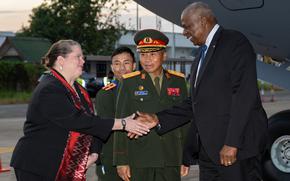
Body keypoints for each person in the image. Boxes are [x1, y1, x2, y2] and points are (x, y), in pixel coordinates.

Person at [136, 2, 268, 181]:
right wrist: (158, 118)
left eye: (187, 26)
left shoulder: (234, 42)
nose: (184, 32)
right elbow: (195, 102)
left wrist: (232, 143)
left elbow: (245, 96)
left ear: (204, 21)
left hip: (235, 151)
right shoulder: (200, 54)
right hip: (209, 152)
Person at [10, 39, 152, 181]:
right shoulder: (50, 88)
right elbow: (77, 120)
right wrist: (123, 123)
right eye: (78, 57)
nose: (82, 61)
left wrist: (95, 152)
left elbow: (93, 121)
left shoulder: (78, 89)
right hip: (39, 165)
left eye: (82, 57)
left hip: (63, 164)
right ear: (61, 61)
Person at [113, 29, 190, 181]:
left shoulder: (178, 81)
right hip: (140, 157)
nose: (147, 60)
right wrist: (121, 161)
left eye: (152, 54)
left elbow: (185, 121)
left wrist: (185, 157)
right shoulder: (129, 82)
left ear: (164, 55)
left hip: (171, 157)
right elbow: (121, 121)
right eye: (143, 54)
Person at [95, 46, 136, 181]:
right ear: (112, 67)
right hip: (113, 158)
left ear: (134, 65)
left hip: (141, 157)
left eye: (126, 63)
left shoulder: (143, 91)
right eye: (117, 64)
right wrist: (122, 160)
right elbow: (110, 130)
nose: (122, 68)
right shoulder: (106, 94)